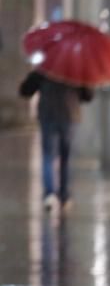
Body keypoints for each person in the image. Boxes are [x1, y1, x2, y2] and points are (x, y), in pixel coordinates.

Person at [18, 71, 94, 211]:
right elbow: (88, 96)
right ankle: (64, 196)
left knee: (48, 155)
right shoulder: (76, 70)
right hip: (70, 116)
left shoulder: (44, 69)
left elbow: (25, 90)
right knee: (65, 157)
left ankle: (49, 194)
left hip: (48, 115)